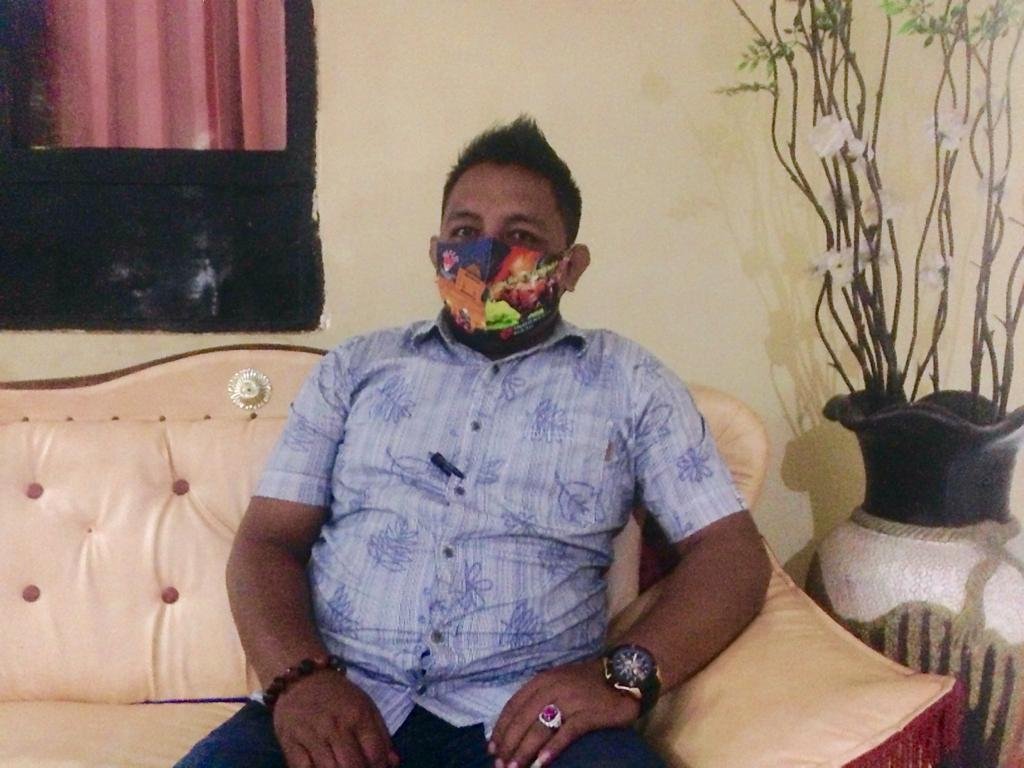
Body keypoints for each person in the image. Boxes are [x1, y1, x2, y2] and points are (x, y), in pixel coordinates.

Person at [176, 116, 771, 768]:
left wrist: (618, 678)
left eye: (521, 236)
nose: (487, 254)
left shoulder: (631, 384)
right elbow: (267, 543)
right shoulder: (356, 370)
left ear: (571, 267)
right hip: (338, 701)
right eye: (465, 232)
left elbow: (731, 554)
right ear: (438, 253)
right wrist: (299, 681)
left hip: (533, 722)